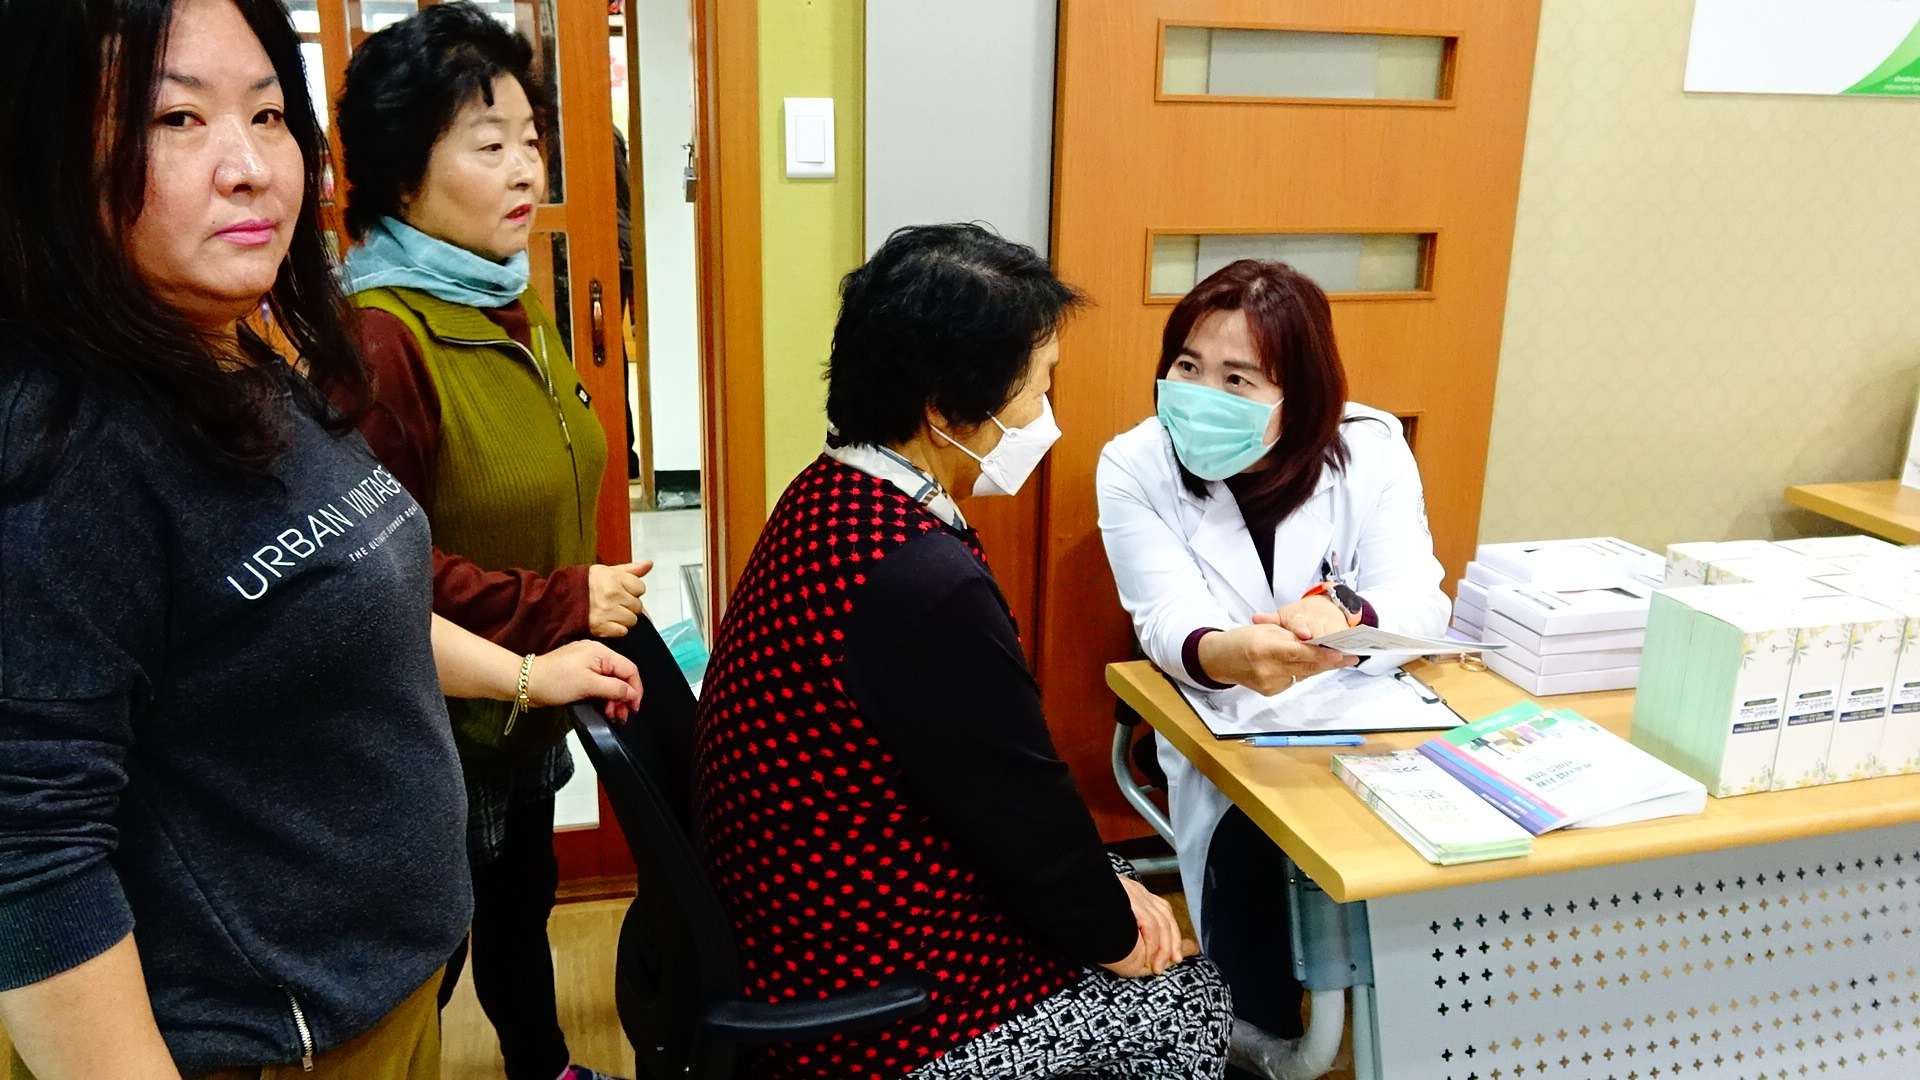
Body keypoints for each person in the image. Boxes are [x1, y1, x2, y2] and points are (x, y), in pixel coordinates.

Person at [0, 2, 641, 1078]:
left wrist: (528, 673)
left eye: (266, 115)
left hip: (375, 996)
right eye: (175, 119)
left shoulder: (239, 358)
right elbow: (33, 852)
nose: (250, 168)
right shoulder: (57, 447)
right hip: (264, 1039)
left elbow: (349, 588)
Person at [692, 224, 1234, 1080]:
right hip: (869, 1003)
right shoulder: (920, 578)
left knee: (1109, 879)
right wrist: (1112, 929)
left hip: (796, 915)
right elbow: (1017, 801)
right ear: (945, 408)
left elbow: (989, 785)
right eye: (1038, 385)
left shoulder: (826, 495)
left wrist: (1098, 884)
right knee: (1186, 994)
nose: (1044, 415)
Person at [334, 9, 643, 1080]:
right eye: (487, 142)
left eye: (530, 137)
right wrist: (563, 601)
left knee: (519, 904)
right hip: (433, 728)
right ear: (399, 175)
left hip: (522, 703)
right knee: (430, 958)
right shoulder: (381, 338)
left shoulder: (507, 295)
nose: (525, 167)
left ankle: (543, 1066)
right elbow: (371, 575)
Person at [1096, 259, 1449, 1066]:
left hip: (1366, 710)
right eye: (1187, 366)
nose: (1200, 394)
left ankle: (1420, 1033)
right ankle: (1270, 1037)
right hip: (1229, 722)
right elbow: (1166, 620)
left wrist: (1348, 616)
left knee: (1431, 867)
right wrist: (1225, 655)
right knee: (1256, 877)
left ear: (1302, 393)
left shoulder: (1371, 451)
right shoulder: (1136, 464)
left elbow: (1421, 601)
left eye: (1237, 379)